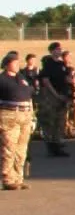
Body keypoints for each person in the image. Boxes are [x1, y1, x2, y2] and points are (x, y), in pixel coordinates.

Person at [0, 51, 34, 189]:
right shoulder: (2, 79)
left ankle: (18, 178)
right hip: (9, 115)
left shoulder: (21, 77)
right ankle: (8, 179)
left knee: (21, 149)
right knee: (9, 148)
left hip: (25, 114)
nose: (17, 65)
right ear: (7, 65)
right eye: (14, 62)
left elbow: (29, 95)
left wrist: (32, 116)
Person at [37, 43, 73, 157]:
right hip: (52, 96)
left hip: (62, 94)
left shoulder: (62, 64)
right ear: (51, 51)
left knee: (60, 121)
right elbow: (46, 81)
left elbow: (66, 78)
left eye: (60, 49)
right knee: (50, 121)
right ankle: (51, 146)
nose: (59, 51)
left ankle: (58, 144)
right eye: (57, 49)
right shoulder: (48, 64)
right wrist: (56, 95)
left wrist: (69, 80)